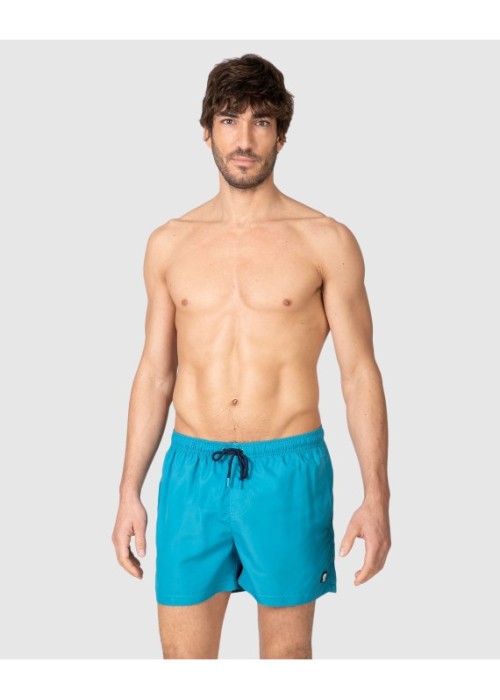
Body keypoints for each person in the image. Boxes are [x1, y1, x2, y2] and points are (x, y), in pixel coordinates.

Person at [111, 53, 391, 660]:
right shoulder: (168, 244)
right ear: (206, 130)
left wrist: (377, 497)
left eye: (261, 122)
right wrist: (129, 490)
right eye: (229, 119)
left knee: (286, 665)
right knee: (183, 667)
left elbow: (358, 373)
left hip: (287, 470)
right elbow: (155, 374)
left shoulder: (326, 240)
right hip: (191, 473)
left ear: (281, 135)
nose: (244, 139)